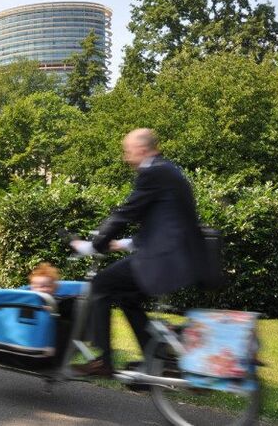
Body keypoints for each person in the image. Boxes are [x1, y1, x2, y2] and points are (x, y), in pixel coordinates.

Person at [72, 128, 206, 377]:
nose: (126, 157)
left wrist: (94, 245)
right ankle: (155, 360)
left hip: (163, 259)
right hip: (176, 257)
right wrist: (123, 244)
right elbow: (164, 221)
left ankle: (103, 360)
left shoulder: (153, 172)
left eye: (127, 151)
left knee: (100, 285)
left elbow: (125, 213)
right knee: (126, 296)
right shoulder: (168, 170)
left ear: (142, 149)